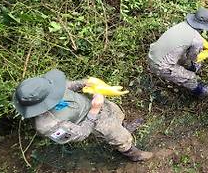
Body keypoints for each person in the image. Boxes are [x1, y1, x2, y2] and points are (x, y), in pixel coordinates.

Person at [12, 69, 153, 162]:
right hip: (91, 121)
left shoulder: (46, 87)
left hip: (92, 104)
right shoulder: (47, 125)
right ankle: (132, 153)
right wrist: (94, 110)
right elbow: (81, 134)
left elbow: (70, 85)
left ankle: (124, 127)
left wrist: (87, 83)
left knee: (116, 113)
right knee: (117, 135)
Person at [148, 7, 208, 97]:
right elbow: (193, 58)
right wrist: (207, 54)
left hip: (153, 54)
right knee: (191, 76)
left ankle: (183, 71)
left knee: (185, 60)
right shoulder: (196, 40)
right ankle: (200, 91)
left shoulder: (182, 25)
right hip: (160, 65)